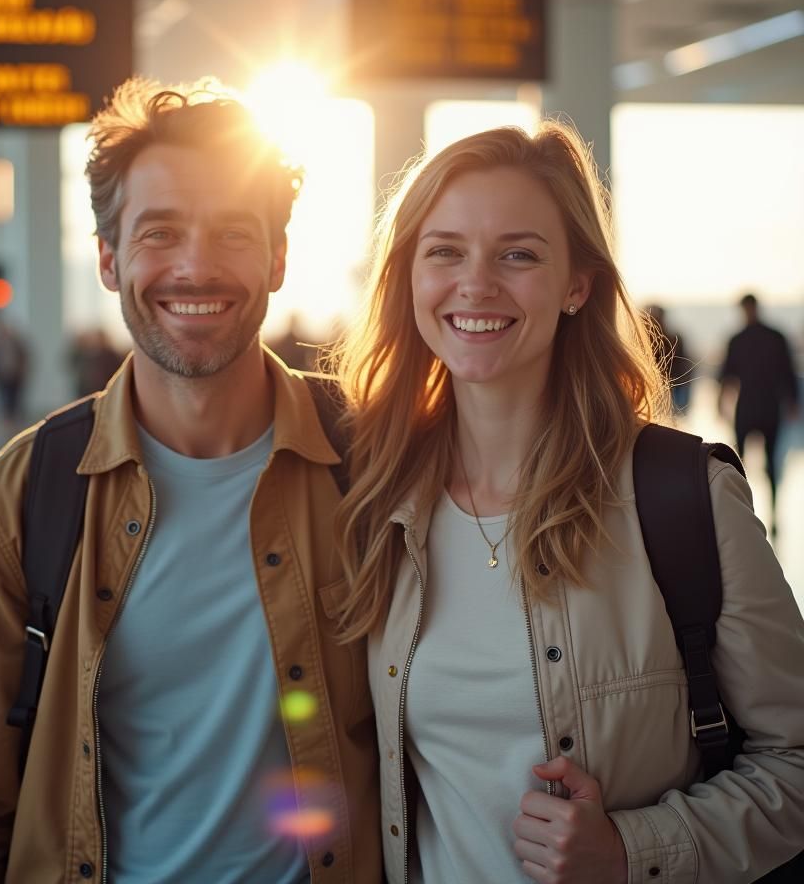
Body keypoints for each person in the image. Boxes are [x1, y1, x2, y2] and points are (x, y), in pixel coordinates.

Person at [0, 79, 380, 883]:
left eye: (233, 231)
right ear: (109, 257)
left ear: (278, 258)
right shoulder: (25, 496)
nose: (196, 266)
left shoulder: (372, 465)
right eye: (160, 232)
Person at [332, 123, 804, 883]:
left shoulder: (683, 497)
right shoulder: (375, 501)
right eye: (445, 250)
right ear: (410, 278)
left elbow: (794, 764)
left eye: (518, 254)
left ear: (577, 284)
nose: (476, 284)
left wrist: (630, 851)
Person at [718, 292, 800, 534]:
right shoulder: (774, 337)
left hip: (751, 407)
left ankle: (750, 511)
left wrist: (721, 403)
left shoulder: (739, 339)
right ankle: (763, 511)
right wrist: (792, 402)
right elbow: (788, 372)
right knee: (758, 462)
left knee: (746, 462)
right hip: (766, 406)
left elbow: (727, 376)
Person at [644, 303, 694, 417]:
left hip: (673, 385)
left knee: (673, 417)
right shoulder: (675, 337)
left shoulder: (674, 338)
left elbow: (683, 362)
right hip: (666, 386)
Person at [0, 311, 30, 429]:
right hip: (2, 375)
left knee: (16, 400)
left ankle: (15, 422)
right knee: (3, 400)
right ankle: (5, 422)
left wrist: (21, 371)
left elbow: (25, 357)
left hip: (15, 376)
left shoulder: (17, 343)